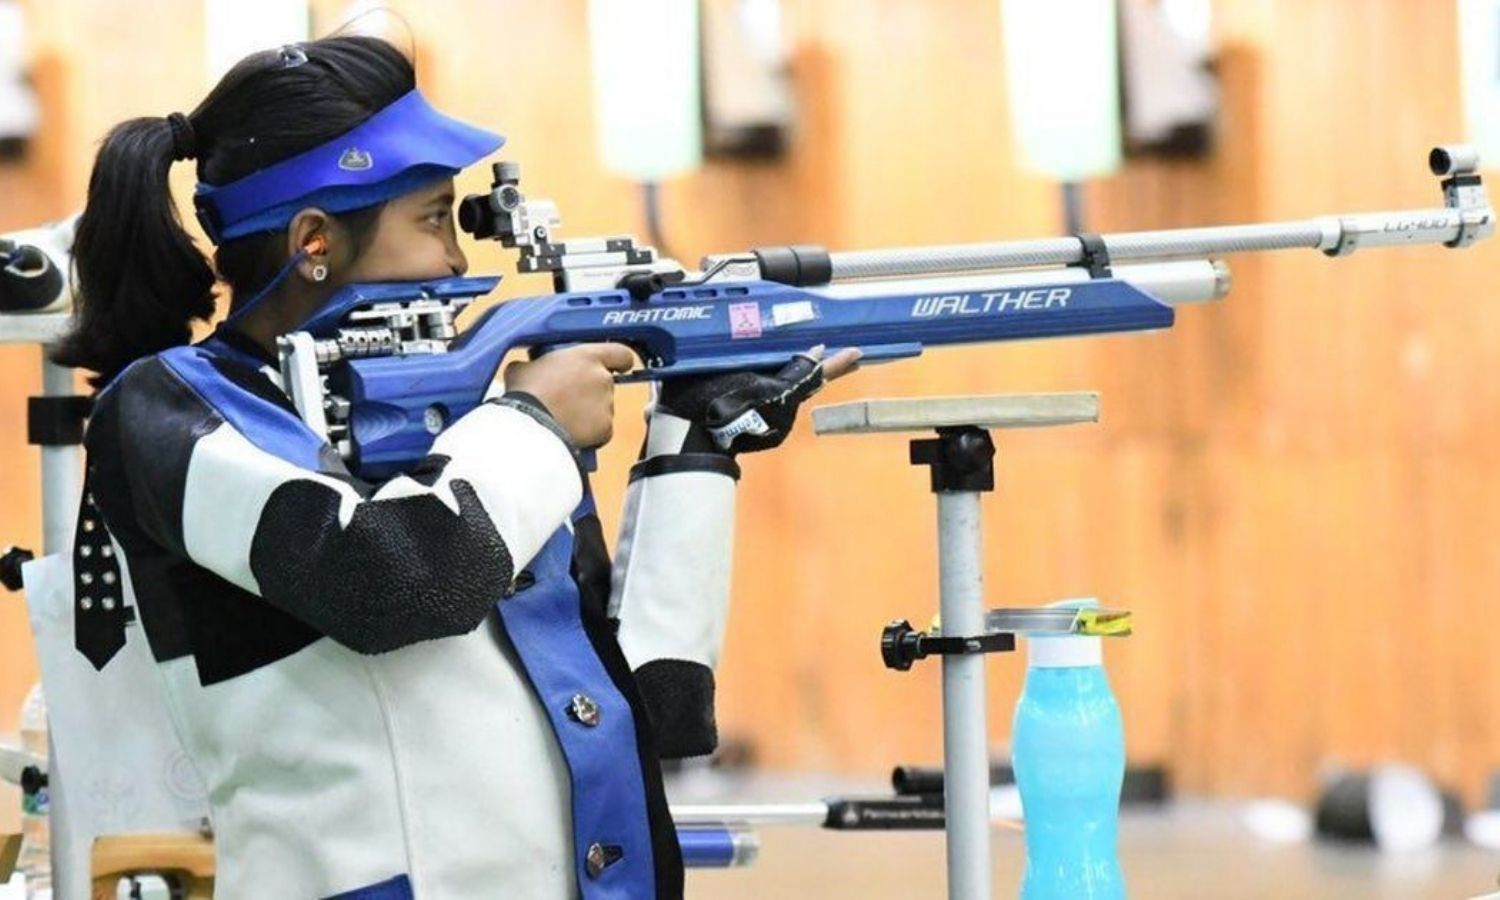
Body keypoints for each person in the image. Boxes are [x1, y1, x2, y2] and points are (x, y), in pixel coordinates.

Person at [53, 35, 856, 899]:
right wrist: (537, 420)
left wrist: (695, 444)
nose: (459, 260)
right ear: (314, 240)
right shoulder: (170, 411)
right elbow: (389, 581)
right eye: (435, 218)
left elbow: (650, 703)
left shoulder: (470, 428)